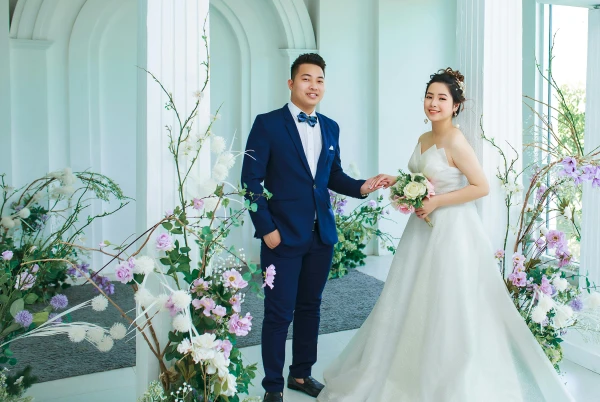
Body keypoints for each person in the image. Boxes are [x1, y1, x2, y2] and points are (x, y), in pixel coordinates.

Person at [316, 68, 575, 402]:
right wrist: (398, 183)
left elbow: (480, 187)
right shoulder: (423, 139)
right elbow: (421, 178)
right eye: (429, 96)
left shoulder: (455, 140)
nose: (433, 103)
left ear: (455, 106)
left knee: (447, 301)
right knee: (409, 297)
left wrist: (436, 201)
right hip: (421, 230)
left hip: (452, 230)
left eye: (442, 98)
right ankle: (403, 367)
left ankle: (449, 378)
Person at [241, 53, 393, 402]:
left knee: (311, 307)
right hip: (281, 236)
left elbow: (332, 175)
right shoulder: (267, 124)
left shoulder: (330, 127)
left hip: (320, 235)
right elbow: (250, 180)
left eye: (320, 80)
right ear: (291, 83)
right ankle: (273, 388)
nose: (314, 85)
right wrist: (267, 230)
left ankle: (300, 375)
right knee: (279, 313)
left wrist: (362, 186)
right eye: (306, 78)